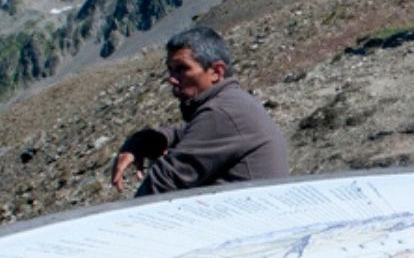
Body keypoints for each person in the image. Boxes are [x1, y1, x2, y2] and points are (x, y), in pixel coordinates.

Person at [110, 26, 290, 195]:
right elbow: (185, 132)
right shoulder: (233, 102)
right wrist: (144, 142)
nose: (172, 79)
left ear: (216, 72)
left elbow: (164, 182)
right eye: (171, 70)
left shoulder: (222, 113)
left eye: (182, 69)